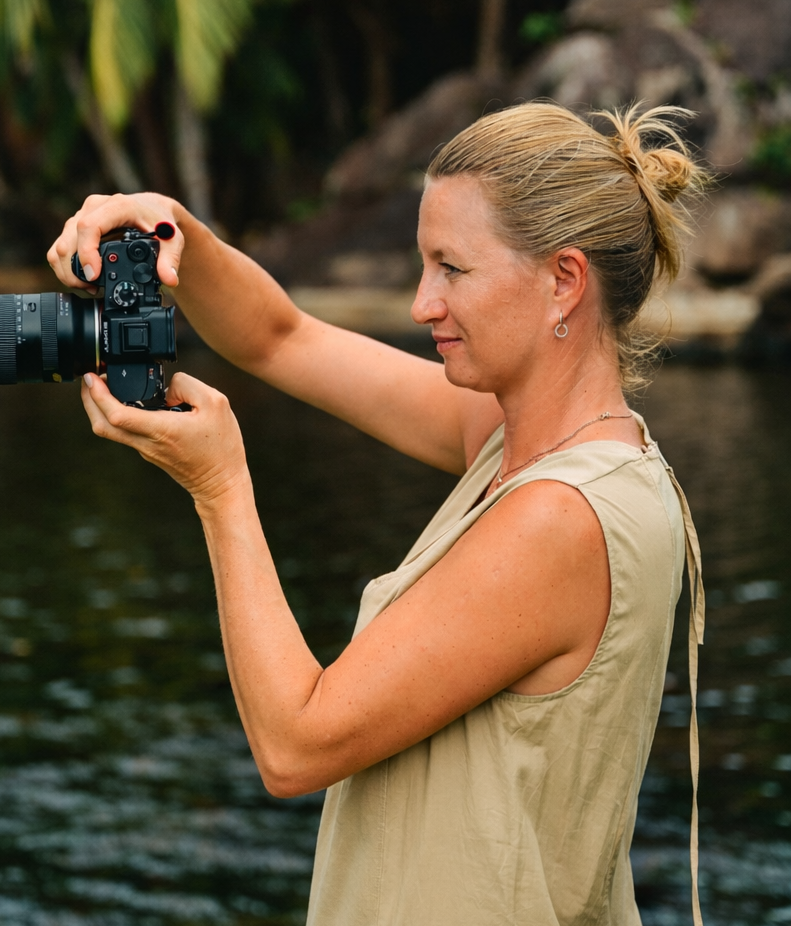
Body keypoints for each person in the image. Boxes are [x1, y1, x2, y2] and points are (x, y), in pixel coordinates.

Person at [47, 101, 707, 926]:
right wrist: (171, 230)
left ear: (563, 281)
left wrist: (220, 491)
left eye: (452, 269)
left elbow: (297, 745)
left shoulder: (561, 518)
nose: (422, 303)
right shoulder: (524, 440)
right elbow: (279, 338)